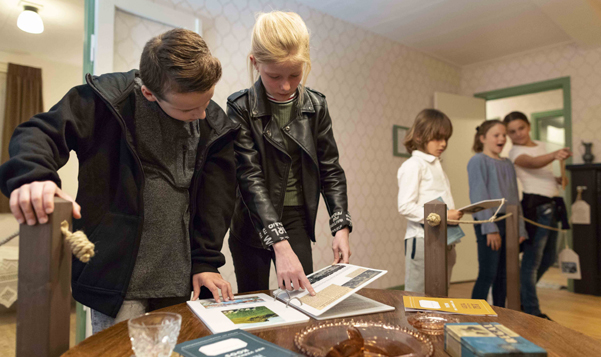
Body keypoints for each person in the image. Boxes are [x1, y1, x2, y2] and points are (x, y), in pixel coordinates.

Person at [0, 29, 238, 333]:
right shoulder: (104, 100)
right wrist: (33, 176)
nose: (203, 115)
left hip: (180, 279)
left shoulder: (214, 125)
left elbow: (215, 202)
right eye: (189, 109)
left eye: (207, 102)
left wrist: (205, 261)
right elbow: (38, 133)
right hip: (117, 279)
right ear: (149, 93)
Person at [226, 11, 352, 294]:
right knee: (254, 301)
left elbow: (330, 168)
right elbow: (250, 177)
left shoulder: (316, 106)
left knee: (301, 299)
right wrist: (278, 244)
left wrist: (340, 226)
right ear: (255, 63)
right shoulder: (240, 107)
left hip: (296, 217)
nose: (285, 86)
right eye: (274, 76)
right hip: (250, 221)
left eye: (295, 74)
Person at [504, 111, 571, 319]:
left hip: (551, 204)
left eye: (521, 128)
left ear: (529, 126)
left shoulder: (540, 145)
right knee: (532, 262)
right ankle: (532, 311)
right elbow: (532, 163)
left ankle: (524, 298)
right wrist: (553, 155)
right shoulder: (515, 152)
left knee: (549, 257)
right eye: (512, 132)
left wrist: (556, 180)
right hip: (535, 206)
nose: (518, 134)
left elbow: (542, 170)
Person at [397, 109, 463, 292]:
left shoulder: (436, 165)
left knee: (440, 297)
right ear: (419, 136)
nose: (443, 144)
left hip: (445, 239)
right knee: (418, 300)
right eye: (437, 138)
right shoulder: (413, 166)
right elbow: (405, 206)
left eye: (446, 139)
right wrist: (442, 215)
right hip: (422, 240)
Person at [467, 120, 527, 307]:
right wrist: (490, 227)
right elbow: (479, 195)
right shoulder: (478, 160)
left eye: (503, 135)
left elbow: (515, 198)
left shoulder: (508, 163)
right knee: (488, 273)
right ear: (483, 138)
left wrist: (520, 229)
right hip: (489, 224)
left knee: (505, 274)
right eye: (496, 135)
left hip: (508, 223)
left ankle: (500, 315)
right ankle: (473, 316)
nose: (502, 138)